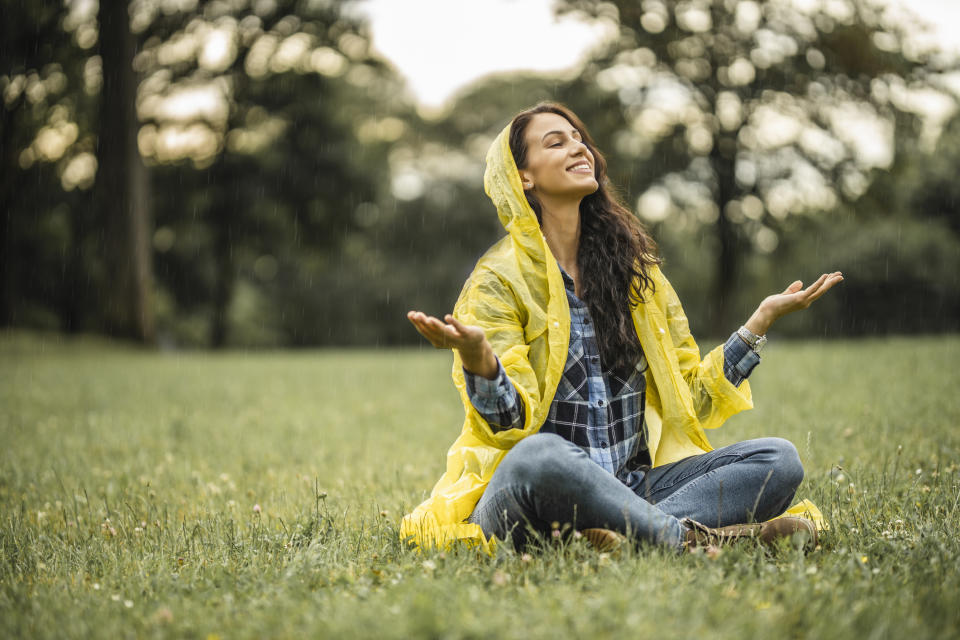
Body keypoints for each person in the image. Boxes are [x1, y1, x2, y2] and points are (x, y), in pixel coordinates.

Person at [401, 103, 843, 554]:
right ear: (524, 178)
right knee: (539, 455)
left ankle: (621, 537)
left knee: (776, 460)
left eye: (579, 139)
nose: (578, 147)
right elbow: (507, 428)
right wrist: (481, 361)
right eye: (556, 142)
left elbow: (691, 399)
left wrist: (757, 325)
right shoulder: (497, 280)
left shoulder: (636, 275)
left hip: (633, 489)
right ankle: (687, 537)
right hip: (531, 491)